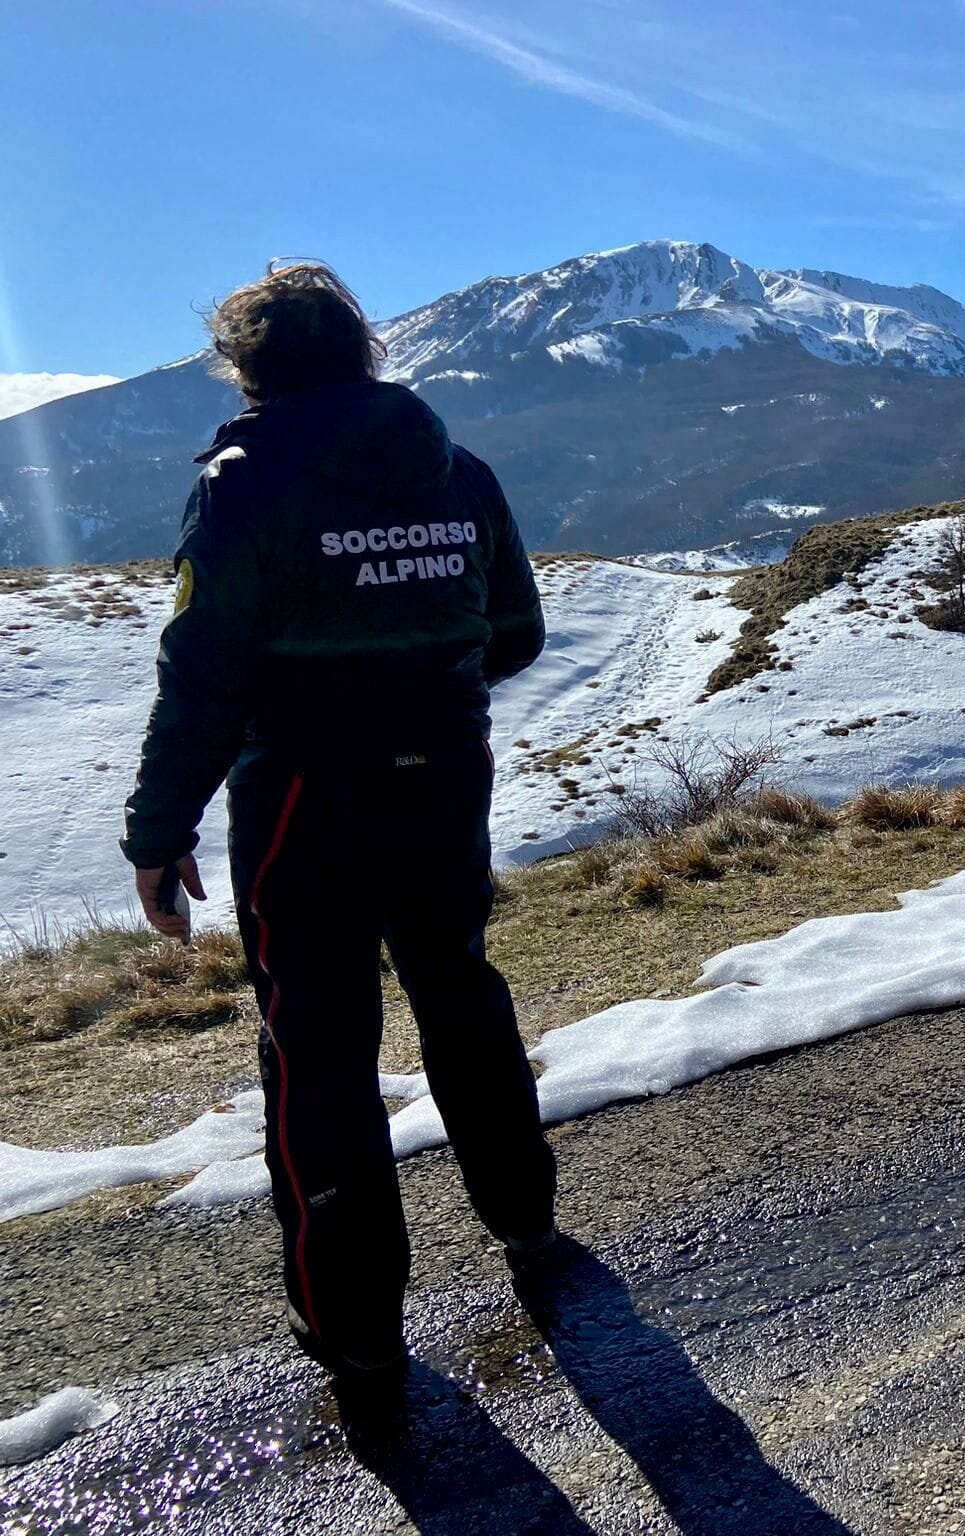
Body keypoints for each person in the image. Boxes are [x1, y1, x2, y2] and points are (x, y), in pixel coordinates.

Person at [119, 261, 557, 1399]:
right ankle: (525, 1224)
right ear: (362, 351)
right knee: (457, 986)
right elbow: (513, 632)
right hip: (445, 768)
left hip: (306, 789)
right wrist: (419, 674)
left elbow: (202, 676)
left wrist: (157, 835)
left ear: (246, 364)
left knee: (316, 1047)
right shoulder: (458, 470)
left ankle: (355, 1327)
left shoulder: (242, 483)